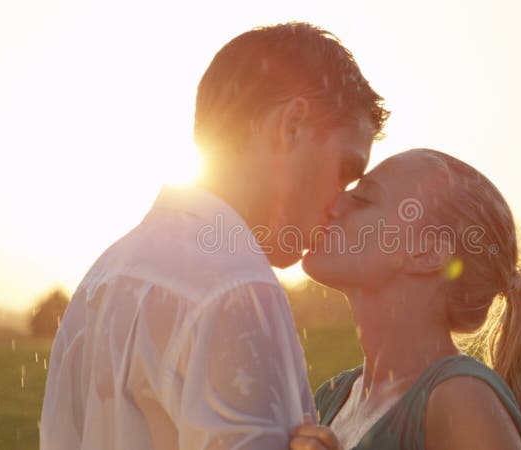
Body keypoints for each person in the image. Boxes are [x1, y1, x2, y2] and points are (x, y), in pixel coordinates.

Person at [39, 22, 389, 450]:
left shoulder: (102, 279)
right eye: (345, 172)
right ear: (292, 126)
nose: (340, 204)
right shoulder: (239, 286)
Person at [290, 149, 521, 450]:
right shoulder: (332, 397)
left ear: (428, 252)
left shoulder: (462, 400)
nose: (335, 202)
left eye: (364, 199)